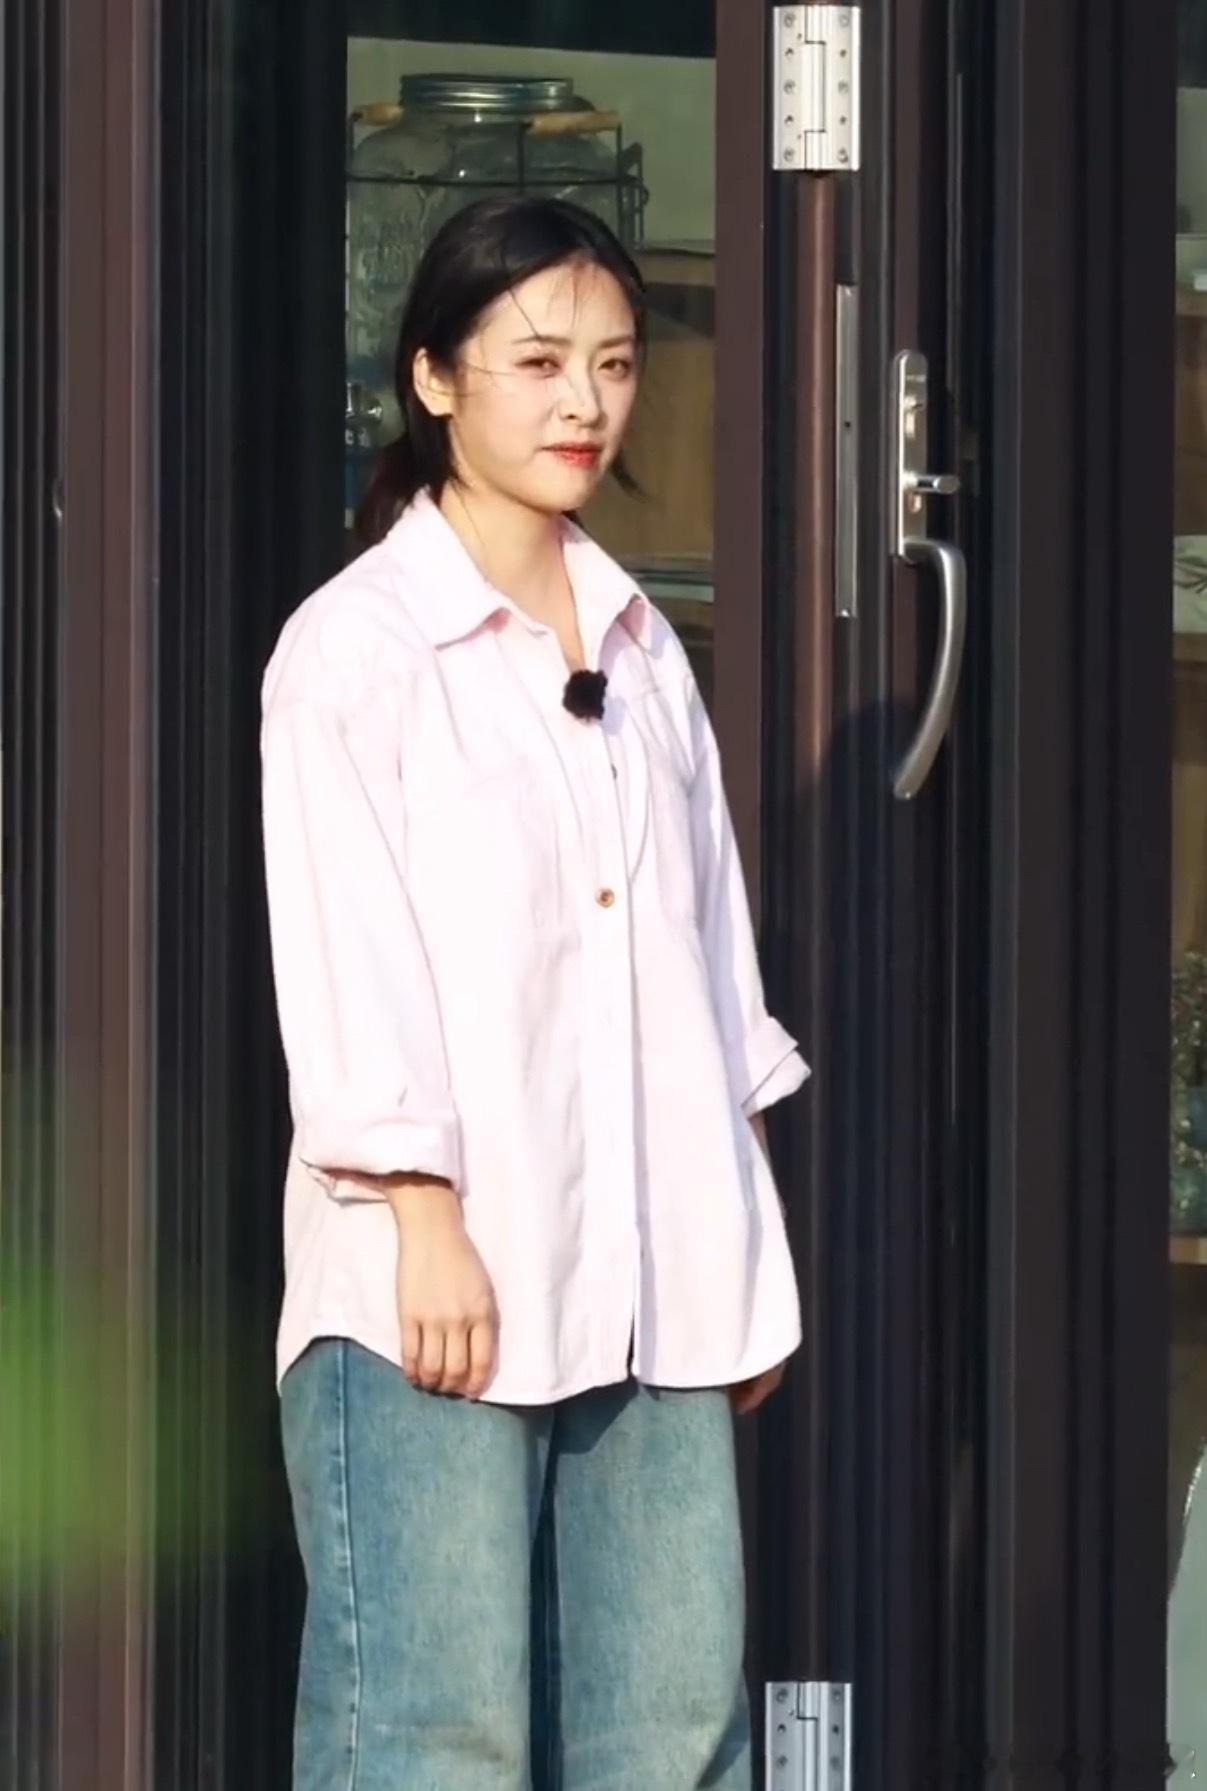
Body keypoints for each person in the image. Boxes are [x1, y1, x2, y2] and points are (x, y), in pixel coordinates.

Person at [260, 194, 809, 1791]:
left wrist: (741, 1238)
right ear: (435, 377)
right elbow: (349, 954)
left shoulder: (644, 650)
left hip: (650, 1281)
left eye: (617, 364)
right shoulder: (357, 649)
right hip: (436, 1281)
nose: (586, 402)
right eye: (541, 360)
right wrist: (423, 1213)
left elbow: (706, 960)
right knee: (433, 1738)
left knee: (672, 1736)